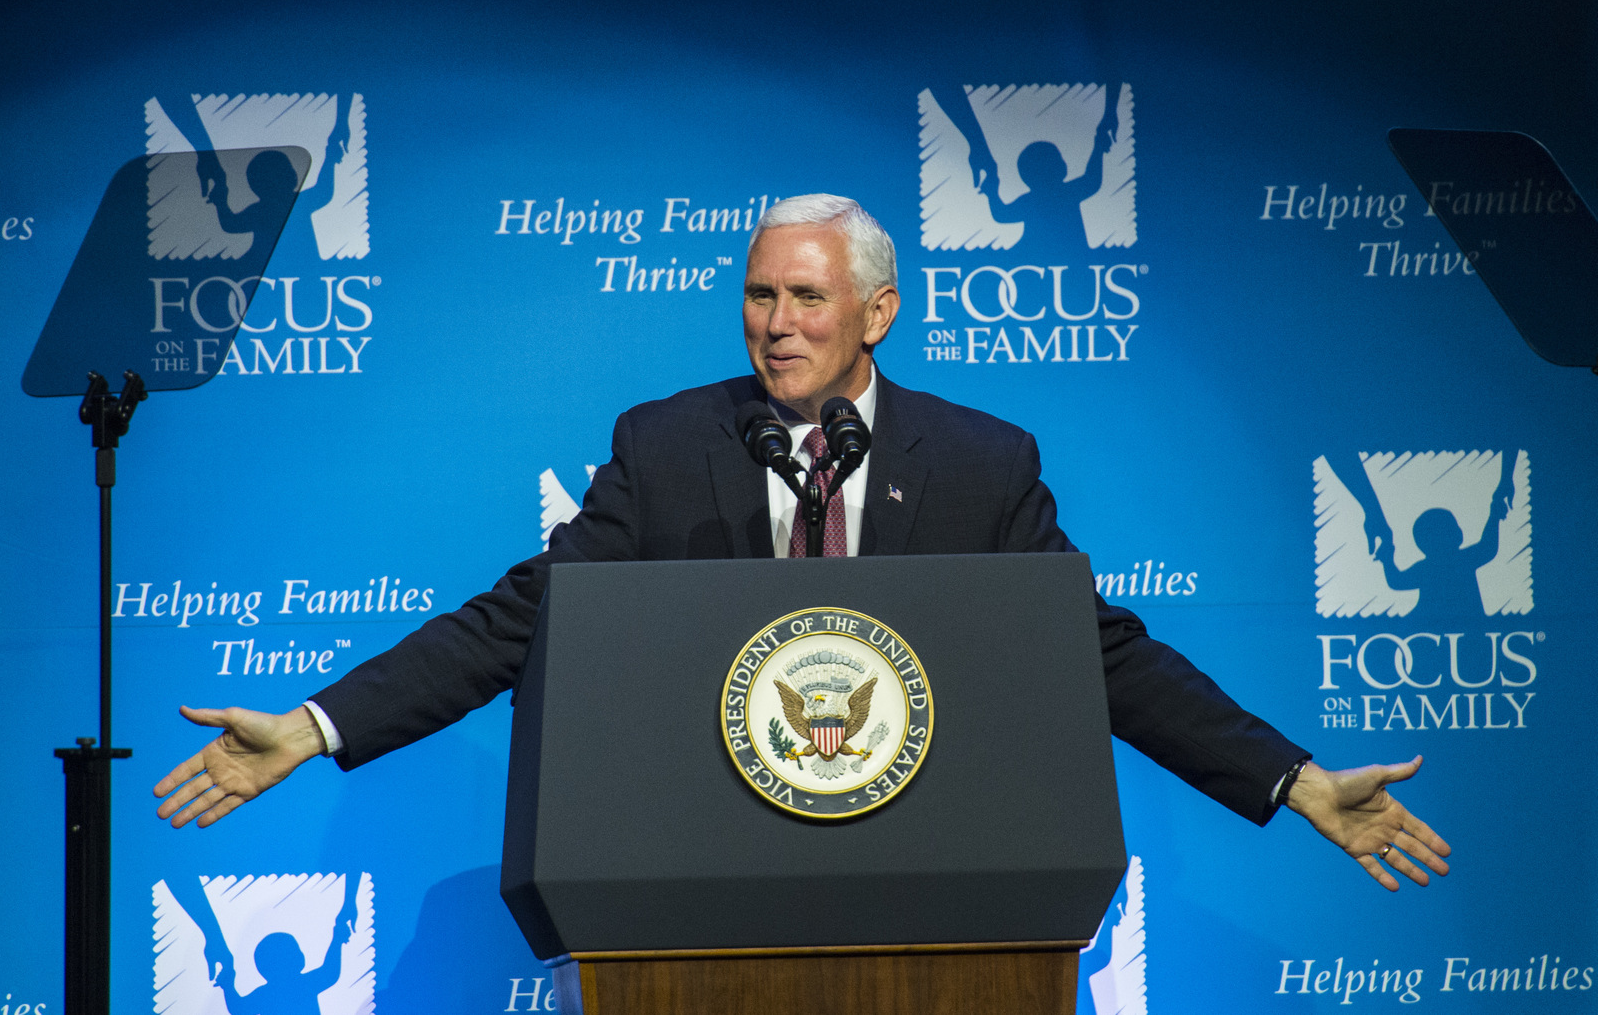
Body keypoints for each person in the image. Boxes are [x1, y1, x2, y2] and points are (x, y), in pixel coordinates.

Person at [156, 194, 1450, 893]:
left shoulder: (985, 464)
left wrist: (1292, 778)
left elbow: (1096, 653)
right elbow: (518, 619)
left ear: (878, 308)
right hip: (705, 874)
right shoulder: (667, 448)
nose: (776, 324)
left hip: (928, 875)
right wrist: (317, 726)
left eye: (807, 297)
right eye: (759, 295)